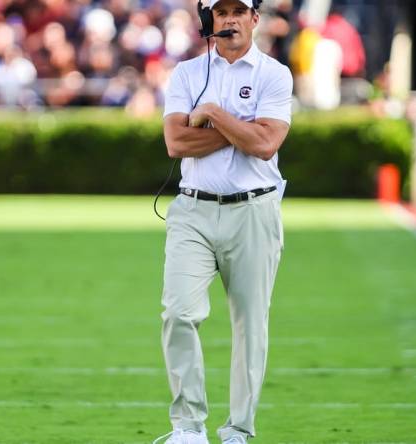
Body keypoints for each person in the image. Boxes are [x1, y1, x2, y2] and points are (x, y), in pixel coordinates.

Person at [155, 0, 292, 441]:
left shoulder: (274, 73)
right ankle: (188, 426)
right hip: (192, 209)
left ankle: (238, 429)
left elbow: (266, 145)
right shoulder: (187, 73)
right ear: (206, 20)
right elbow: (176, 141)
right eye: (220, 12)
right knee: (178, 313)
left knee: (250, 324)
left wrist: (213, 114)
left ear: (255, 18)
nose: (229, 19)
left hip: (254, 209)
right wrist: (241, 130)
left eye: (238, 11)